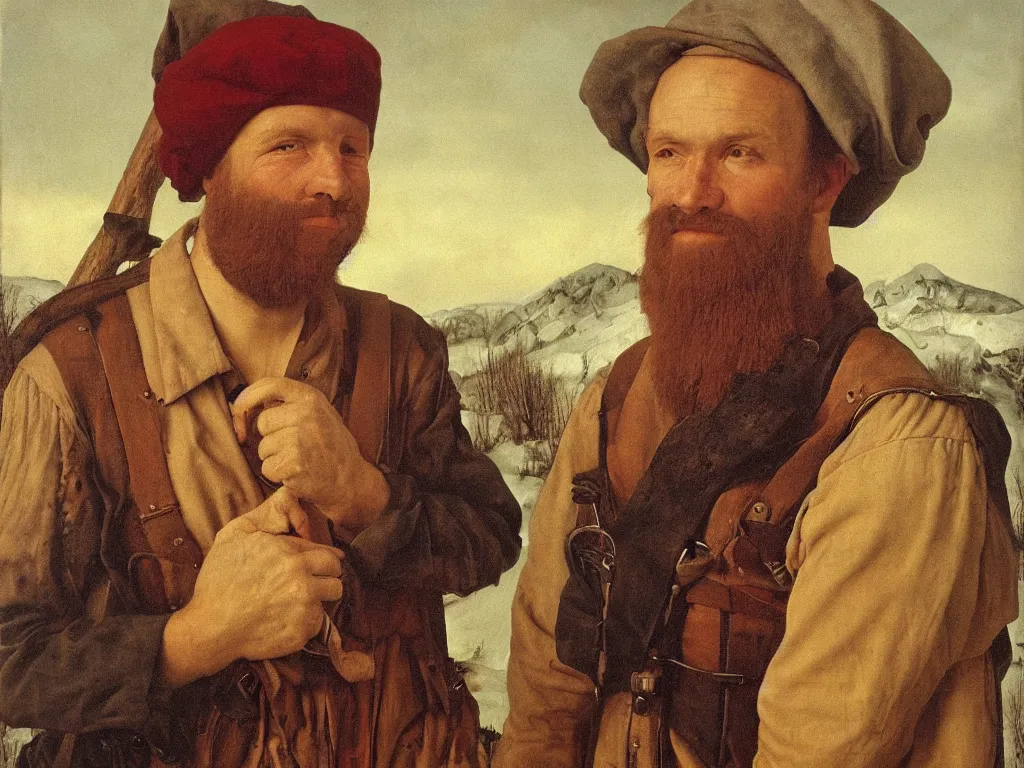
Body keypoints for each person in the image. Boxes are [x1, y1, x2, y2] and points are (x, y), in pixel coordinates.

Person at [494, 1, 1018, 766]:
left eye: (740, 153)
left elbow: (817, 751)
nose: (693, 192)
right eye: (670, 152)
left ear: (824, 180)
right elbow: (546, 698)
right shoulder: (617, 395)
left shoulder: (896, 443)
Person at [0, 14, 521, 768]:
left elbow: (490, 539)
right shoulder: (70, 371)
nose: (333, 180)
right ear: (211, 167)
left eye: (353, 148)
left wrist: (367, 496)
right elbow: (10, 656)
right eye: (289, 146)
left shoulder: (402, 348)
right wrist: (192, 639)